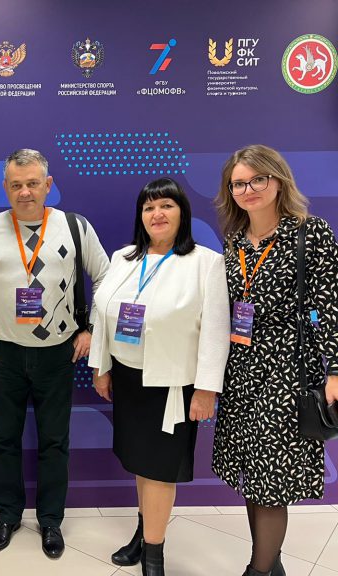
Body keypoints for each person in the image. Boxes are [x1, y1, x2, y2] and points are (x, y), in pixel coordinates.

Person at [88, 178, 230, 576]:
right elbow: (103, 314)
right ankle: (144, 531)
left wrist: (206, 390)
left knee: (159, 469)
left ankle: (154, 554)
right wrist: (101, 366)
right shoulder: (124, 258)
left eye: (166, 205)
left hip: (171, 384)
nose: (157, 214)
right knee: (141, 464)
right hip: (128, 379)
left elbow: (216, 330)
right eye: (149, 207)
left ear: (182, 212)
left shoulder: (205, 263)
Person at [0, 149, 110, 558]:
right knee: (4, 439)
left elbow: (106, 277)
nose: (25, 192)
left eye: (33, 183)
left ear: (48, 184)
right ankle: (8, 515)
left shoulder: (74, 227)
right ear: (5, 187)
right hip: (6, 354)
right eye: (16, 185)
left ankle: (50, 520)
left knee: (54, 442)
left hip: (57, 355)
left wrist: (91, 329)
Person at [211, 145, 338, 576]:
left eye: (257, 179)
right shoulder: (233, 242)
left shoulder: (310, 233)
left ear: (278, 180)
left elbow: (329, 304)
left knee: (271, 478)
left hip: (286, 369)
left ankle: (259, 571)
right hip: (240, 369)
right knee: (254, 472)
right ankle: (271, 562)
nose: (248, 190)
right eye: (238, 184)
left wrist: (336, 368)